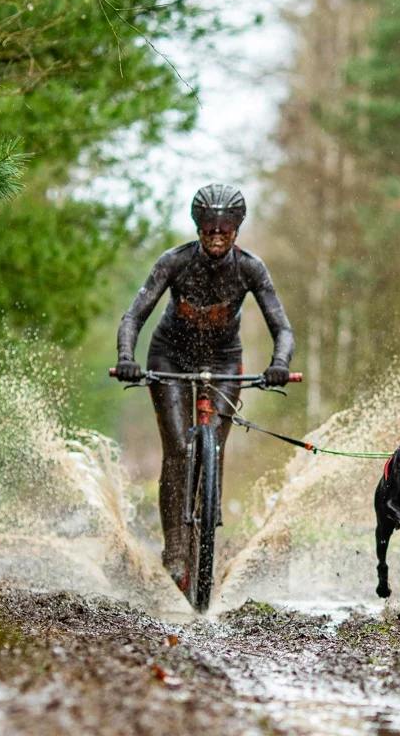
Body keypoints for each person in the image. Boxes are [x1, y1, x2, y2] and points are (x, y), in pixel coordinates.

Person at [116, 183, 295, 589]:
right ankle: (176, 547)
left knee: (214, 442)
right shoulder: (173, 262)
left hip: (223, 360)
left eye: (225, 229)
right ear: (198, 229)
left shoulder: (251, 268)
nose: (217, 236)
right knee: (178, 449)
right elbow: (133, 317)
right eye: (208, 228)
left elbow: (281, 328)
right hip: (170, 357)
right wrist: (127, 357)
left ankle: (207, 520)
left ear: (237, 230)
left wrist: (279, 364)